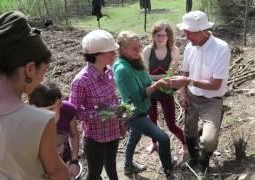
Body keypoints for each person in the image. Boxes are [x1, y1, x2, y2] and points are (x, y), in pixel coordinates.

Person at [0, 11, 70, 179]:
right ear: (30, 69)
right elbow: (56, 171)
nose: (43, 78)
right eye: (43, 71)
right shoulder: (41, 121)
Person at [170, 10, 231, 172]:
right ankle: (193, 157)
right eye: (185, 33)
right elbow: (185, 72)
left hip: (212, 101)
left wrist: (188, 82)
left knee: (209, 139)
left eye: (189, 33)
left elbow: (216, 84)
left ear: (203, 31)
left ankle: (204, 161)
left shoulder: (221, 48)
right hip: (192, 96)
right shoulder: (190, 46)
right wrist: (183, 93)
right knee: (189, 130)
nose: (186, 37)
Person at [114, 31, 175, 179]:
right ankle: (168, 172)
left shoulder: (135, 62)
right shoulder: (123, 70)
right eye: (134, 48)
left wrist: (169, 85)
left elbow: (148, 83)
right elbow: (137, 96)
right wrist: (158, 85)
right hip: (134, 113)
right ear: (123, 50)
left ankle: (128, 166)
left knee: (134, 138)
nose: (139, 51)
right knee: (163, 138)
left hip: (141, 110)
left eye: (139, 47)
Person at [69, 29, 126, 180]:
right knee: (94, 173)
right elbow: (72, 112)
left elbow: (114, 100)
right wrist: (97, 114)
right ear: (97, 55)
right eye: (111, 51)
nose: (115, 54)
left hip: (112, 132)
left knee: (112, 167)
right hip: (95, 137)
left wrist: (121, 120)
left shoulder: (109, 72)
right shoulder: (81, 81)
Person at [142, 21, 187, 156]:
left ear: (169, 37)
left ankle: (185, 144)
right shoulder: (147, 50)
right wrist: (160, 79)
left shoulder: (174, 50)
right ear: (153, 35)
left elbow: (171, 74)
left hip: (166, 91)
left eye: (164, 35)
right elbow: (145, 74)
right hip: (151, 91)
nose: (161, 38)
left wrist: (157, 78)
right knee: (152, 120)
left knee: (171, 124)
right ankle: (154, 143)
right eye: (158, 34)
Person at [29, 81, 81, 178]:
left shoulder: (67, 110)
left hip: (64, 161)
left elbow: (73, 135)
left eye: (59, 104)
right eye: (48, 110)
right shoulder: (28, 119)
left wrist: (74, 161)